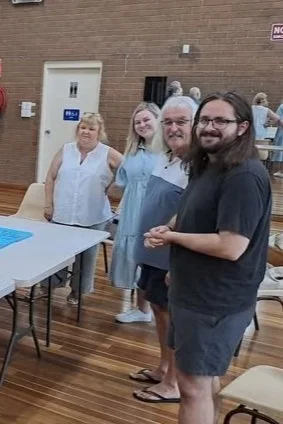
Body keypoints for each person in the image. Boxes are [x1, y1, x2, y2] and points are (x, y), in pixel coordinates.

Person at [144, 92, 271, 424]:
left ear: (242, 127)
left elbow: (231, 246)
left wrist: (173, 238)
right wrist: (171, 229)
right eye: (204, 120)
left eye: (220, 121)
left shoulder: (243, 176)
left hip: (214, 301)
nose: (209, 127)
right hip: (191, 291)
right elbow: (194, 212)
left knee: (192, 387)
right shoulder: (209, 164)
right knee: (203, 381)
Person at [128, 96, 196, 403]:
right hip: (153, 250)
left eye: (181, 122)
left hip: (171, 253)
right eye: (167, 122)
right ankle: (163, 368)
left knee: (171, 315)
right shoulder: (165, 156)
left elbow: (190, 212)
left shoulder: (196, 165)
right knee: (158, 308)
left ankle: (173, 383)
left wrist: (168, 234)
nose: (173, 128)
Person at [44, 112, 123, 304]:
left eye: (91, 129)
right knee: (56, 252)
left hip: (93, 215)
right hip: (63, 212)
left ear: (99, 132)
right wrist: (48, 204)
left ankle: (77, 292)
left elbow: (130, 171)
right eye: (83, 127)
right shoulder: (66, 149)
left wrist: (113, 187)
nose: (86, 132)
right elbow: (50, 177)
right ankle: (50, 286)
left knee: (86, 258)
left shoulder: (107, 153)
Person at [110, 102, 160, 323]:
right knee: (135, 256)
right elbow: (123, 183)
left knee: (153, 258)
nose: (142, 125)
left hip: (156, 208)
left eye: (146, 120)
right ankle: (142, 309)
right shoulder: (131, 152)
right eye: (137, 122)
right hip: (132, 209)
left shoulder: (168, 152)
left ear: (158, 120)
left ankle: (159, 308)